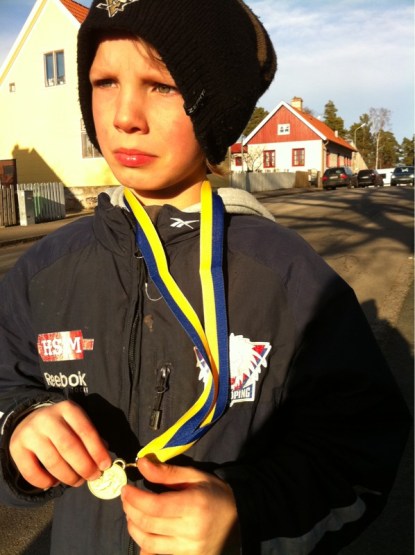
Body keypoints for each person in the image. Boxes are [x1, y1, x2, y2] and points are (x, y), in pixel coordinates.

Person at [0, 1, 410, 554]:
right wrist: (17, 423)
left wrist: (246, 512)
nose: (124, 115)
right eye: (104, 82)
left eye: (162, 86)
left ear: (214, 108)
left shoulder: (286, 276)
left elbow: (359, 449)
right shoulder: (44, 271)